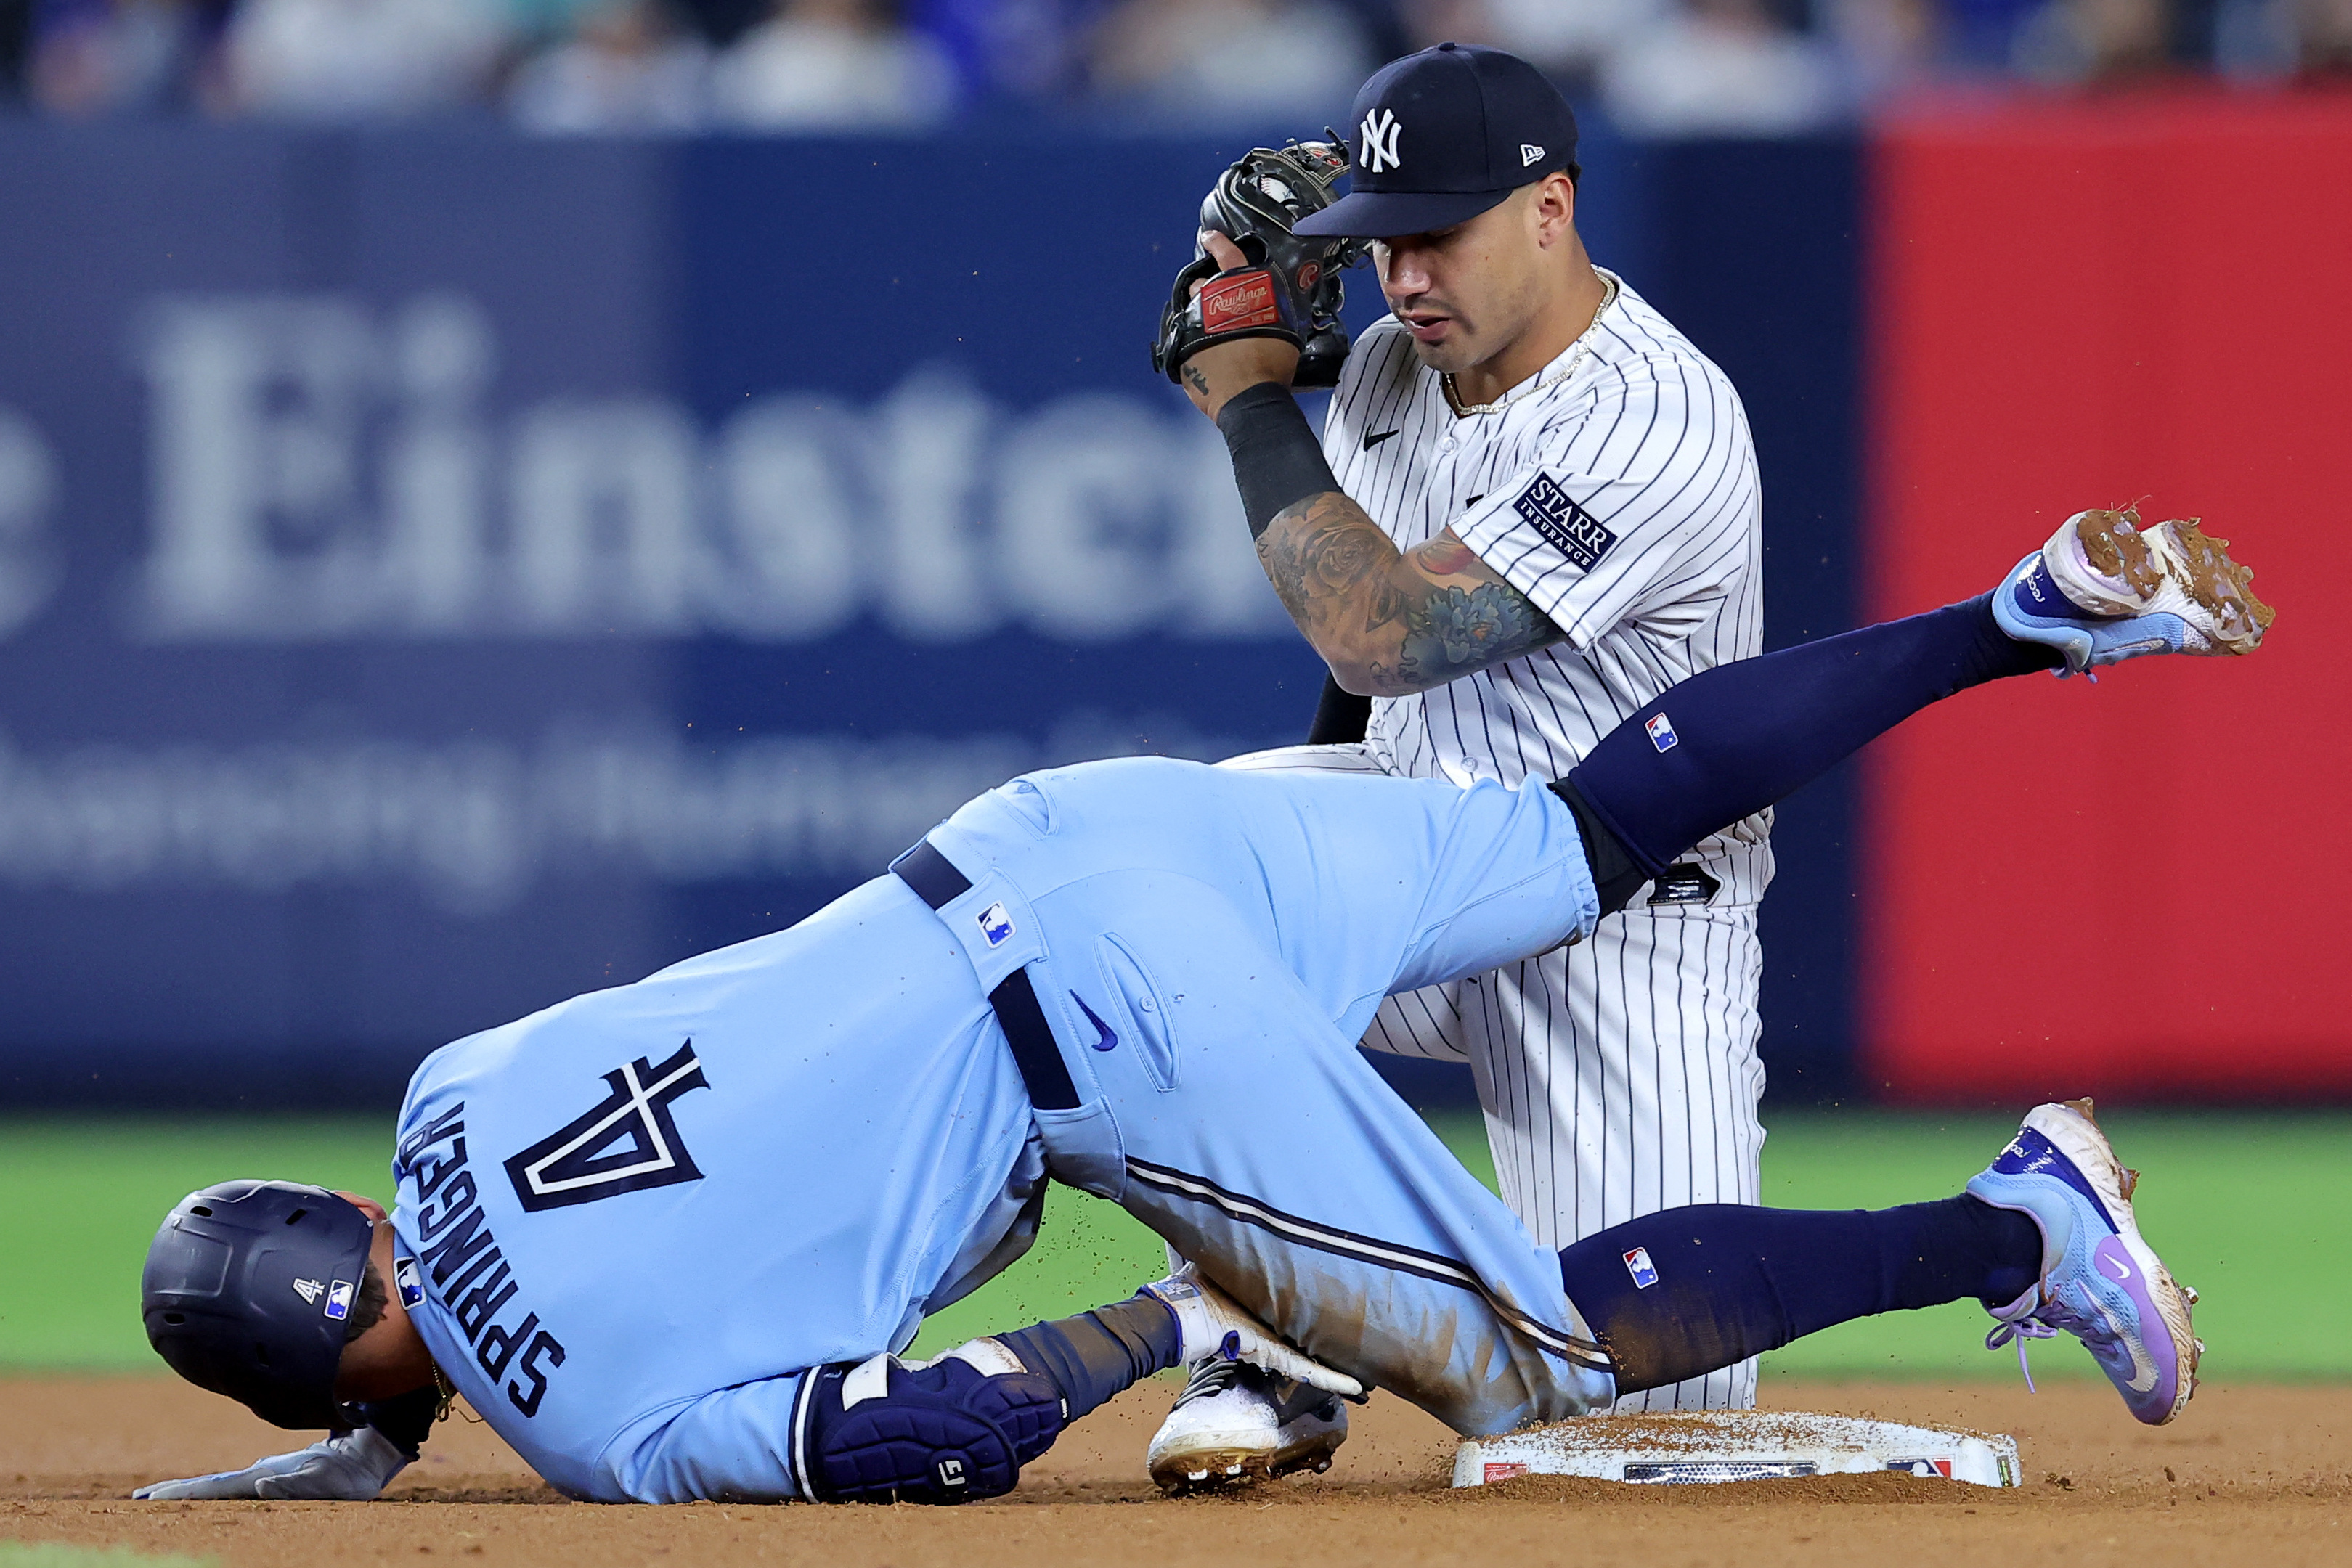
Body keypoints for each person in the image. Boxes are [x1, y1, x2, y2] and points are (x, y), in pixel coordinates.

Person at [131, 509, 2266, 1504]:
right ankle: (2024, 621)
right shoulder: (444, 1091)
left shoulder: (607, 1439)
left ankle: (2024, 1224)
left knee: (1539, 1369)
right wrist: (409, 1381)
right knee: (1586, 830)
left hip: (1121, 1040)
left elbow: (935, 1436)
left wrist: (1195, 1313)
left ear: (315, 1394)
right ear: (348, 1230)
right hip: (1058, 840)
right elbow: (473, 1257)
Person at [1155, 41, 1783, 1485]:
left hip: (1620, 927)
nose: (1403, 278)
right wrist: (1234, 243)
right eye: (1382, 242)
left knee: (1649, 1426)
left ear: (1554, 209)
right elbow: (1228, 284)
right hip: (1427, 862)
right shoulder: (1397, 357)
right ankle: (1272, 1340)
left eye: (1439, 232)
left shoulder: (1653, 420)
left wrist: (1249, 398)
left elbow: (1382, 630)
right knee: (1139, 892)